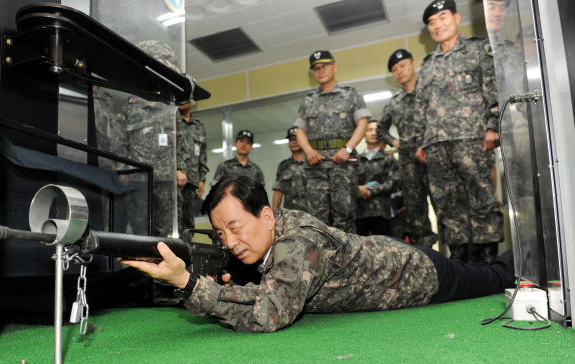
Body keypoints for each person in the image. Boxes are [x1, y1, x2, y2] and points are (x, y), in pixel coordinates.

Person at [120, 176, 515, 333]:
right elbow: (268, 290)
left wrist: (187, 284)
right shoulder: (271, 236)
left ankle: (536, 257)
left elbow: (268, 314)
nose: (230, 241)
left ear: (268, 215)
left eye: (235, 227)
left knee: (494, 276)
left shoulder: (299, 243)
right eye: (220, 233)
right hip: (390, 253)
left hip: (417, 274)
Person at [416, 0, 503, 263]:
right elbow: (421, 106)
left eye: (442, 18)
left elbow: (494, 88)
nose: (437, 25)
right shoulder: (428, 63)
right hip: (437, 146)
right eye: (432, 22)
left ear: (456, 18)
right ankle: (460, 261)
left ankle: (488, 261)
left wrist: (492, 126)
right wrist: (422, 142)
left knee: (481, 198)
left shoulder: (477, 49)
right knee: (447, 204)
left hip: (472, 139)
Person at [294, 50, 371, 234]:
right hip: (315, 166)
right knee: (317, 219)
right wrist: (308, 151)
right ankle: (323, 261)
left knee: (345, 216)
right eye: (316, 68)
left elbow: (363, 123)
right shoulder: (308, 100)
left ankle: (348, 261)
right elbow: (300, 130)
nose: (320, 71)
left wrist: (348, 148)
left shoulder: (351, 94)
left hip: (343, 164)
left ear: (335, 67)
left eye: (325, 66)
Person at [114, 41, 181, 237]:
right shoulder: (129, 110)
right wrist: (123, 171)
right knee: (139, 226)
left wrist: (180, 169)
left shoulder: (170, 111)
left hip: (166, 179)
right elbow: (119, 144)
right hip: (139, 178)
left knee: (166, 228)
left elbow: (180, 144)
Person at [377, 49, 437, 247]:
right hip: (409, 165)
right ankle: (428, 261)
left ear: (413, 64)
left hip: (435, 158)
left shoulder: (430, 92)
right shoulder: (395, 102)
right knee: (416, 216)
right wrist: (395, 142)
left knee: (447, 211)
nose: (399, 71)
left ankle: (458, 264)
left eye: (402, 65)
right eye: (394, 69)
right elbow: (380, 129)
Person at [356, 120, 400, 237]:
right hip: (358, 213)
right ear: (363, 133)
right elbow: (347, 183)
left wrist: (370, 192)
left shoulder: (389, 159)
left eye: (377, 130)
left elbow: (393, 183)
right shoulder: (355, 160)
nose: (373, 133)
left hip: (381, 212)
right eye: (369, 130)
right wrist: (358, 189)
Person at [176, 101, 209, 234]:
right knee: (173, 220)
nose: (182, 101)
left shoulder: (198, 126)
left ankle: (185, 252)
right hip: (173, 180)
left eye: (186, 98)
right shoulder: (171, 121)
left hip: (192, 181)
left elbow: (202, 154)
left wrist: (202, 179)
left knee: (188, 222)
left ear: (193, 101)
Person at [272, 126, 307, 212]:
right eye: (291, 140)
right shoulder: (284, 165)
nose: (294, 142)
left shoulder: (312, 162)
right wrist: (274, 214)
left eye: (296, 139)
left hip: (313, 214)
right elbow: (278, 191)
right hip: (291, 216)